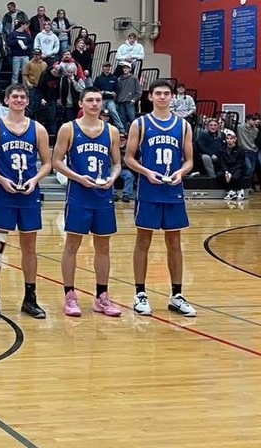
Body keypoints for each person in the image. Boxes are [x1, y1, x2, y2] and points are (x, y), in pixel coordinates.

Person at [124, 79, 197, 319]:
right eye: (158, 93)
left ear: (173, 97)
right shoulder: (141, 124)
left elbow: (189, 161)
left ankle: (177, 295)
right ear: (150, 97)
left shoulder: (183, 125)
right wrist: (146, 172)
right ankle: (140, 294)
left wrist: (181, 172)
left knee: (174, 243)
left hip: (173, 190)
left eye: (167, 93)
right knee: (143, 241)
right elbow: (129, 158)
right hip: (149, 190)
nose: (163, 97)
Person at [51, 87, 122, 318]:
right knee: (72, 245)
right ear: (81, 103)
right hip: (79, 194)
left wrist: (112, 178)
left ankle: (102, 296)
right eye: (89, 100)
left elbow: (117, 163)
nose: (94, 104)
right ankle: (69, 295)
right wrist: (78, 177)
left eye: (98, 100)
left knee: (103, 247)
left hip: (103, 195)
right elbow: (57, 161)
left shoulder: (111, 131)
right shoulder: (69, 128)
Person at [0, 84, 51, 320]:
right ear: (6, 99)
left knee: (29, 248)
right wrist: (1, 180)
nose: (19, 100)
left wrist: (35, 180)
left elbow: (47, 163)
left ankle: (30, 298)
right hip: (3, 194)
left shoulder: (38, 129)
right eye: (14, 96)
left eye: (23, 97)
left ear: (27, 101)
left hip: (29, 194)